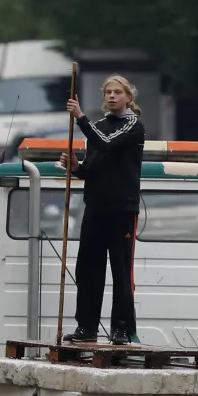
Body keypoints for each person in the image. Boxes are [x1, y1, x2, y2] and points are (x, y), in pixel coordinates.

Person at [57, 74, 146, 345]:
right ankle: (87, 326)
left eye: (117, 92)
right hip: (95, 207)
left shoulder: (133, 125)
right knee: (88, 270)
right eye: (108, 92)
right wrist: (76, 167)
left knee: (121, 271)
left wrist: (80, 117)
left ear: (128, 97)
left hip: (122, 209)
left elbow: (107, 143)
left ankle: (122, 328)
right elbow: (92, 168)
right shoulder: (97, 127)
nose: (112, 96)